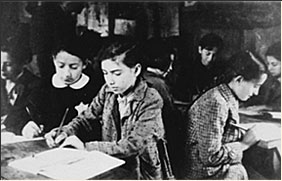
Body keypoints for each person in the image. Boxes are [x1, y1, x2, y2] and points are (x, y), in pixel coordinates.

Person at [44, 39, 165, 179]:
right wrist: (64, 132)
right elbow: (86, 118)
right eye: (105, 73)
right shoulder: (108, 91)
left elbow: (134, 144)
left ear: (136, 70)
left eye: (117, 73)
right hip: (109, 166)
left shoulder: (150, 99)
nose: (110, 80)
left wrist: (86, 147)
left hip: (141, 173)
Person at [181, 51, 268, 179]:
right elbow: (210, 157)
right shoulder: (215, 103)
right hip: (205, 174)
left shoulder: (226, 95)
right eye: (255, 86)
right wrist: (244, 144)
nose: (256, 92)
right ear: (239, 79)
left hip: (216, 168)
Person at [21, 39, 103, 140]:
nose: (67, 74)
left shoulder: (95, 89)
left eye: (73, 67)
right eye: (61, 66)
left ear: (84, 64)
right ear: (54, 60)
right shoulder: (41, 86)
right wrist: (26, 125)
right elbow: (17, 113)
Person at [142, 37, 184, 177]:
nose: (171, 68)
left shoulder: (140, 76)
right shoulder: (158, 84)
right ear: (160, 61)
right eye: (169, 62)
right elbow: (170, 117)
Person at [1, 44, 41, 135]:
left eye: (8, 64)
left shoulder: (35, 85)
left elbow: (25, 115)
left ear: (22, 63)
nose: (1, 69)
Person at [243, 42, 281, 111]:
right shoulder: (271, 82)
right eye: (268, 64)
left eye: (274, 64)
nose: (269, 68)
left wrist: (266, 107)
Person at [188, 33, 224, 101]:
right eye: (208, 54)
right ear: (200, 50)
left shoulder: (220, 70)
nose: (210, 59)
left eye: (214, 55)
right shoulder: (189, 69)